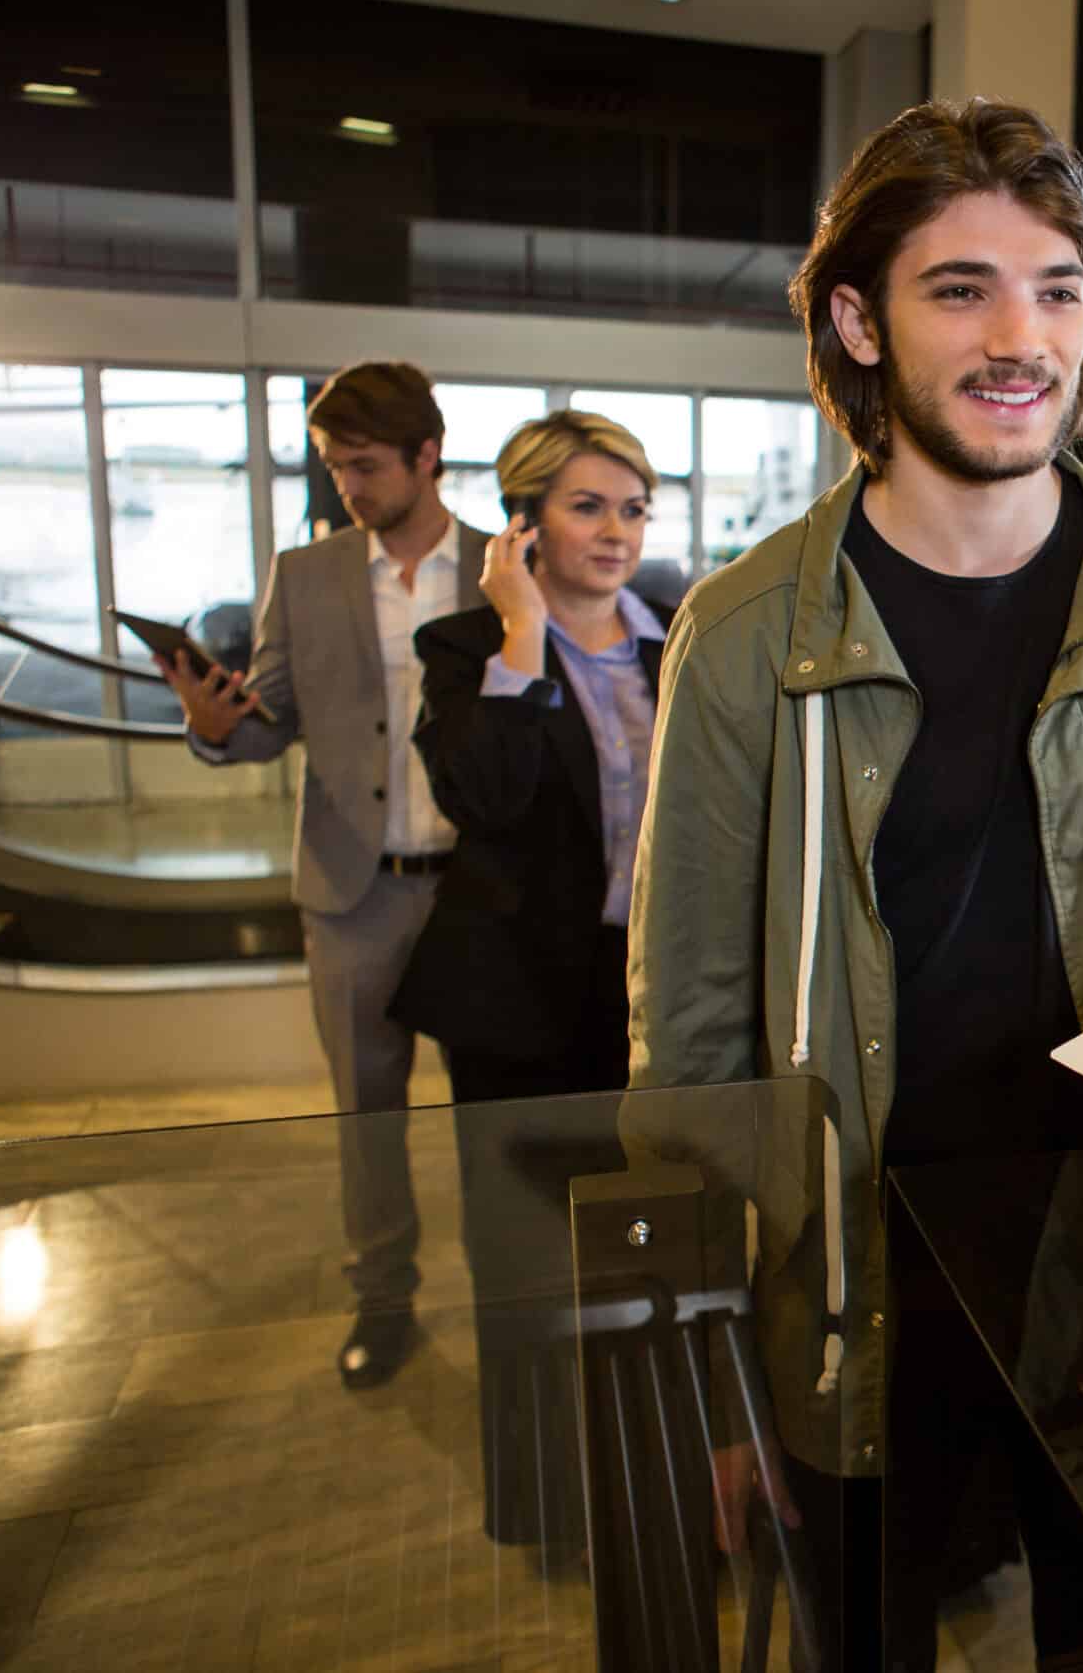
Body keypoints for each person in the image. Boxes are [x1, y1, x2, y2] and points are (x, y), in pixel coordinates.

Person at [622, 97, 1083, 1667]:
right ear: (856, 321)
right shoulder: (749, 637)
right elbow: (688, 1046)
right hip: (854, 1296)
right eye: (963, 288)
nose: (1026, 336)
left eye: (1061, 287)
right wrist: (713, 1375)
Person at [382, 409, 675, 1566]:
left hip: (650, 1004)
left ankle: (652, 1493)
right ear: (526, 522)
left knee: (650, 1258)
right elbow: (484, 799)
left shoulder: (677, 644)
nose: (616, 532)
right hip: (515, 1008)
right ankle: (550, 1509)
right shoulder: (469, 645)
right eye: (588, 506)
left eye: (634, 507)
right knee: (521, 1272)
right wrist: (520, 632)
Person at [161, 360, 490, 1390]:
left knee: (497, 1112)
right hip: (354, 895)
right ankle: (381, 1300)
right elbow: (270, 726)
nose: (346, 487)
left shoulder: (502, 565)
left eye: (363, 466)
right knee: (367, 1115)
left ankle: (513, 1296)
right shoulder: (301, 578)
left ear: (425, 457)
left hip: (482, 894)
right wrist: (215, 729)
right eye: (335, 468)